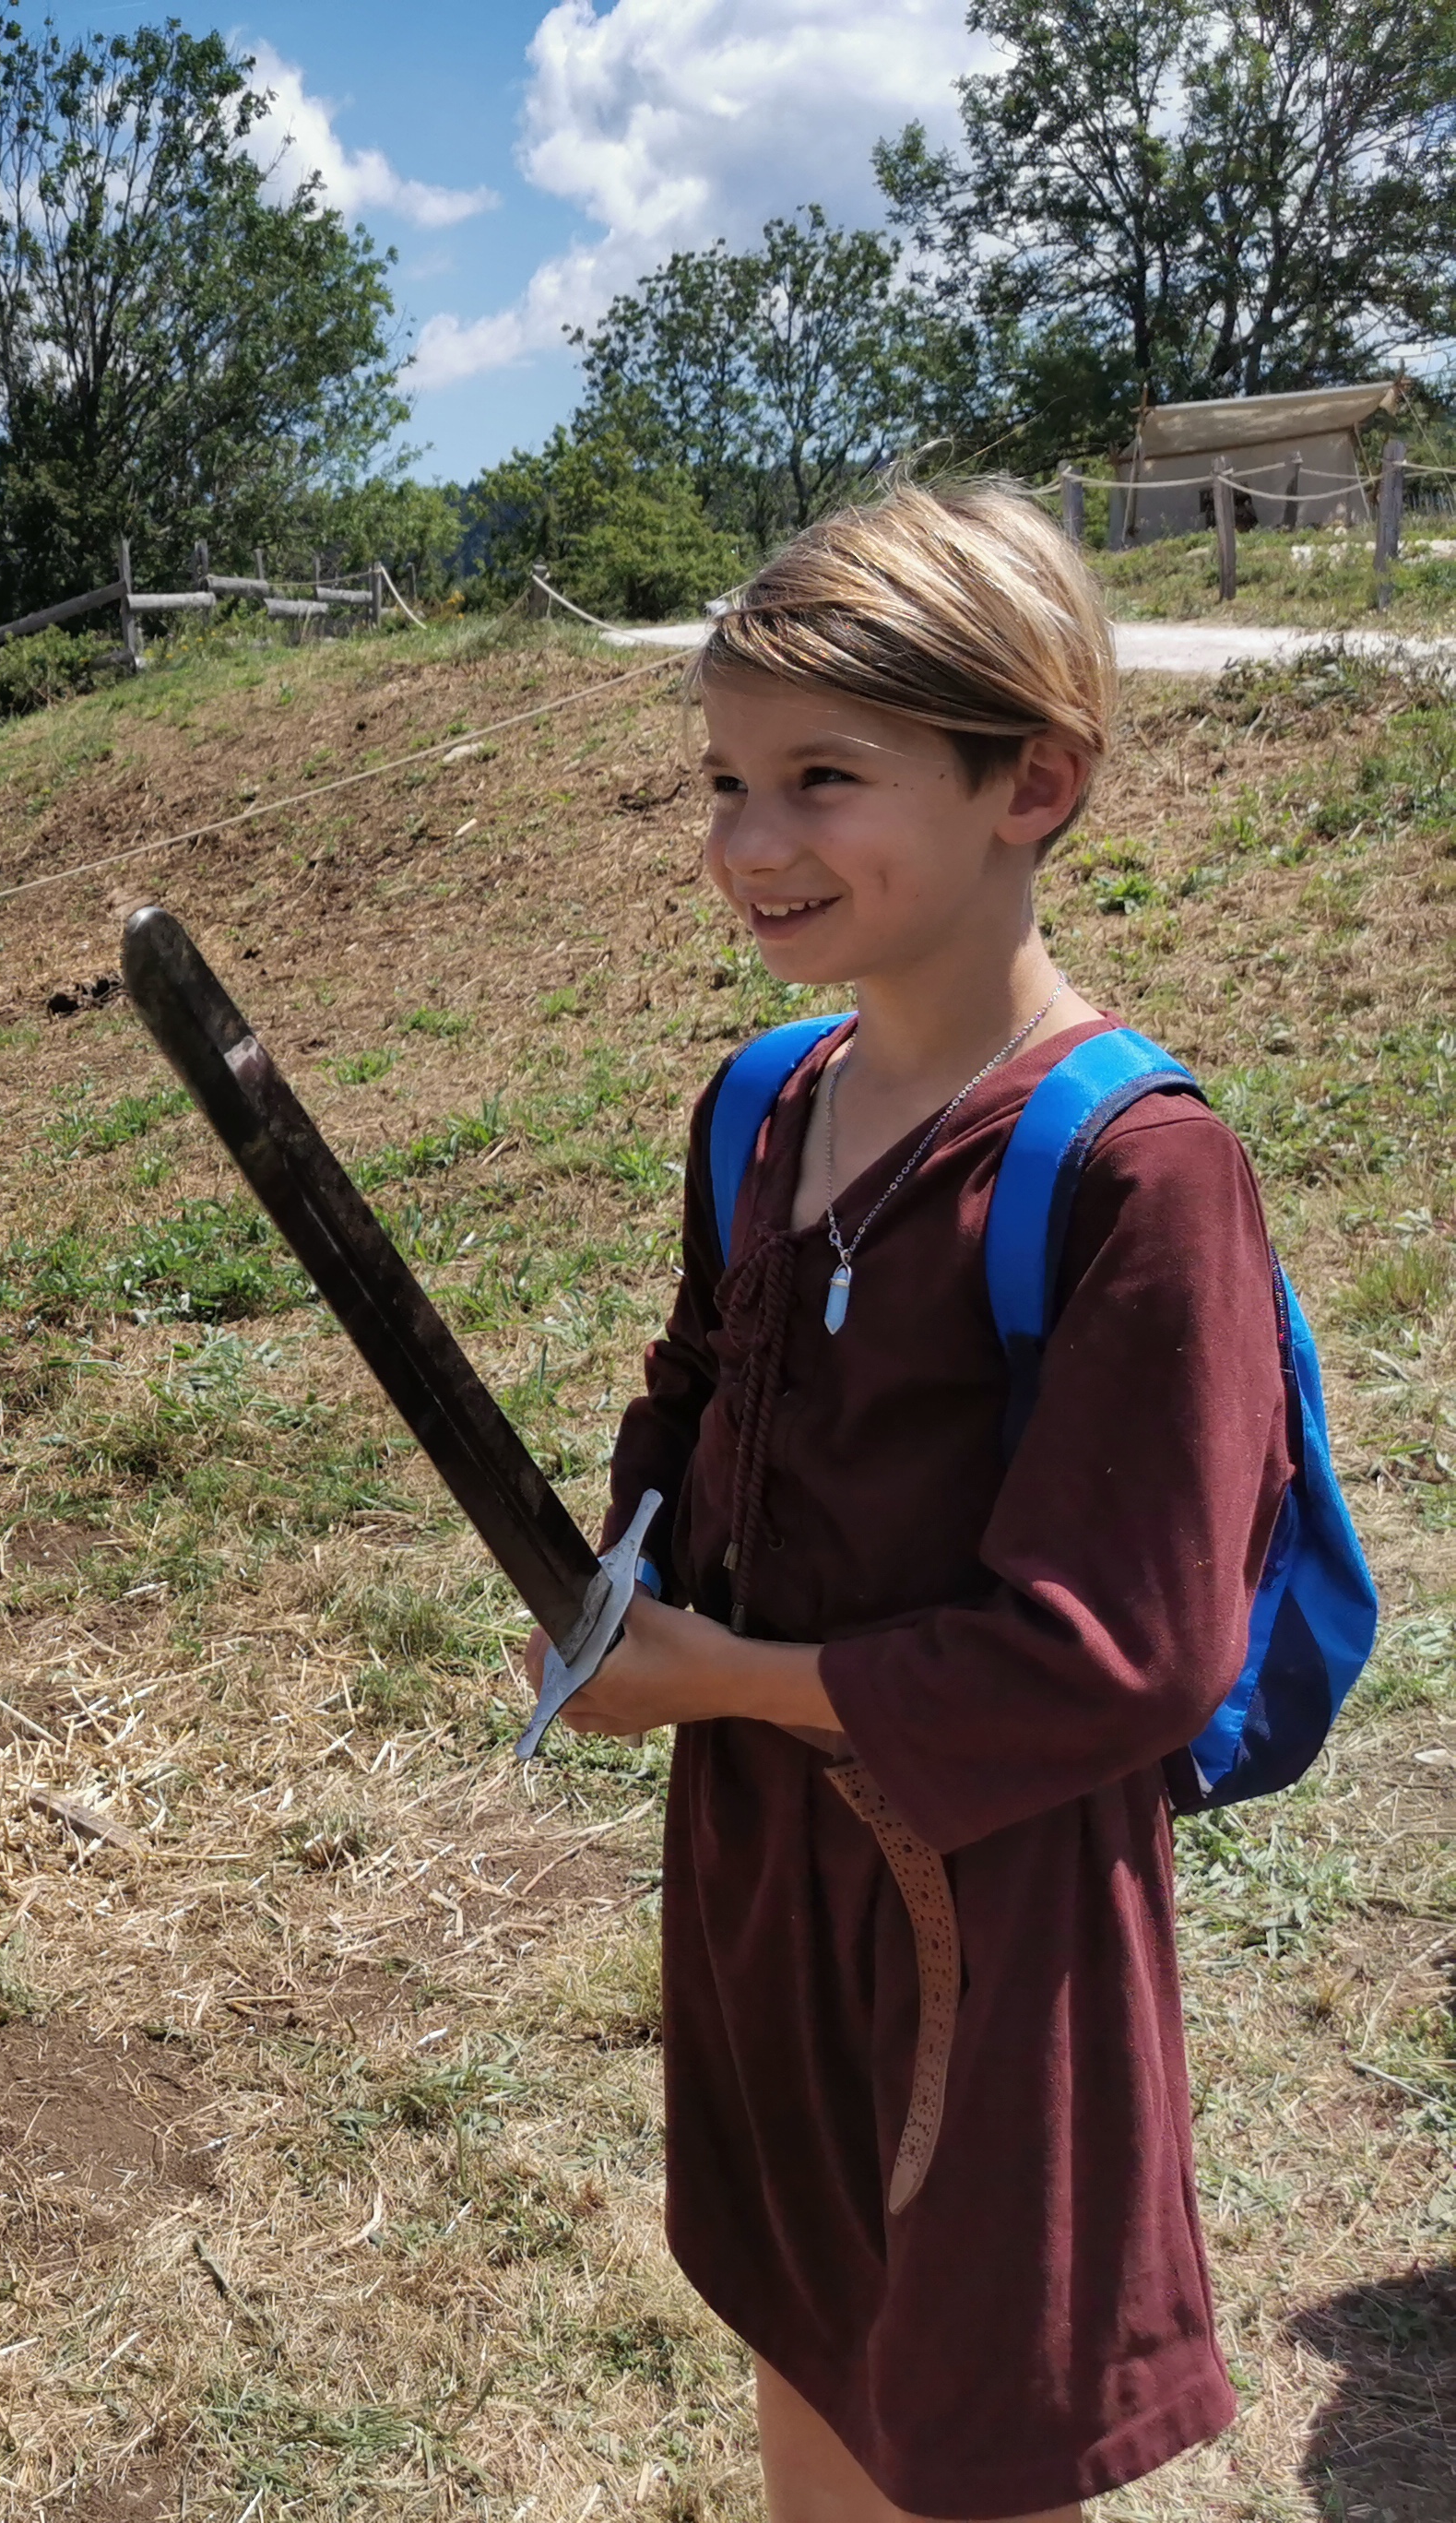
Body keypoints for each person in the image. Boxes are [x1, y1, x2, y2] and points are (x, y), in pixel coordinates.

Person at [522, 484, 1290, 2521]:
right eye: (725, 782)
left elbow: (1120, 1655)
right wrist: (622, 1594)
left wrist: (723, 1679)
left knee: (964, 2405)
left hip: (993, 1920)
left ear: (1031, 783)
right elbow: (697, 1389)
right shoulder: (762, 1106)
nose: (747, 845)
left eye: (823, 780)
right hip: (762, 1867)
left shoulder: (1138, 1177)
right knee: (812, 2325)